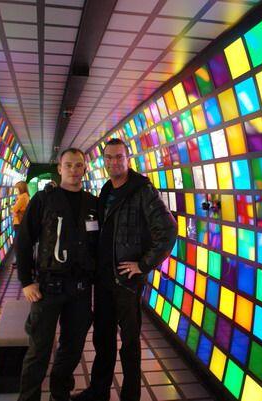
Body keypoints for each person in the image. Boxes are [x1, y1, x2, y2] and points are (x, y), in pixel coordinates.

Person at [72, 138, 177, 401]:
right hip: (103, 279)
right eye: (109, 157)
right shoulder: (107, 189)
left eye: (119, 157)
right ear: (103, 161)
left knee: (130, 344)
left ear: (128, 159)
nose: (114, 162)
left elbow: (168, 230)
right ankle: (99, 392)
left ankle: (130, 396)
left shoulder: (142, 190)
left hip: (127, 282)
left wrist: (143, 264)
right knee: (102, 339)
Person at [16, 148, 99, 401]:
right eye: (68, 165)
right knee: (39, 349)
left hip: (80, 289)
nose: (74, 170)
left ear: (85, 169)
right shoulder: (43, 200)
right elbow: (24, 240)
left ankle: (59, 394)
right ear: (59, 168)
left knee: (73, 347)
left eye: (78, 165)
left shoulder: (93, 203)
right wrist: (26, 281)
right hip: (47, 287)